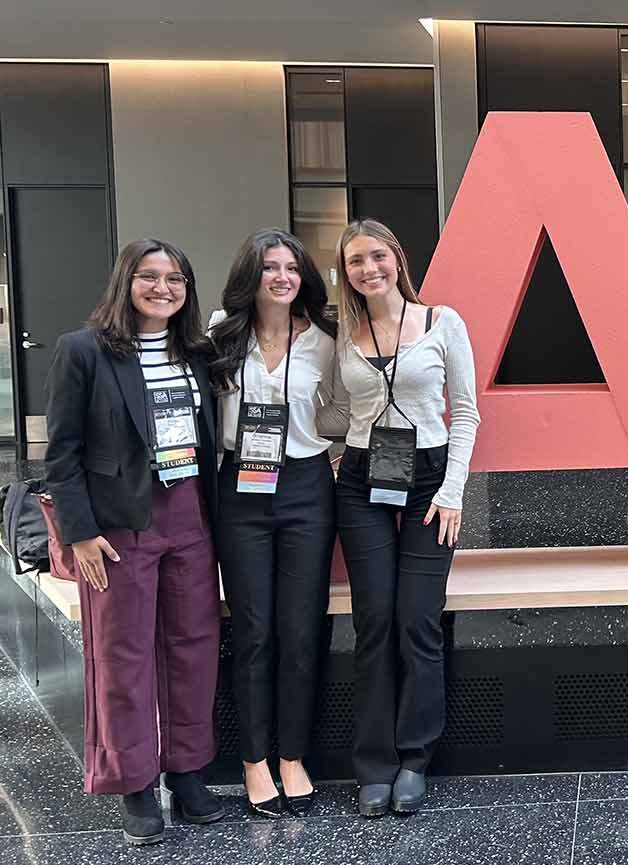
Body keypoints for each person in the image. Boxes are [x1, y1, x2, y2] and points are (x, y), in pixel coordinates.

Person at [44, 238, 227, 845]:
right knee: (121, 658)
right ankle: (136, 784)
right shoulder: (84, 352)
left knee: (192, 649)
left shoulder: (195, 352)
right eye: (149, 277)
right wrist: (81, 533)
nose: (162, 288)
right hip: (117, 527)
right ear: (125, 282)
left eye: (175, 278)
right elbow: (62, 453)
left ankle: (187, 772)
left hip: (190, 516)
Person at [331, 219, 479, 817]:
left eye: (377, 256)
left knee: (417, 621)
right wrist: (338, 446)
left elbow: (466, 412)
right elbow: (334, 407)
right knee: (374, 624)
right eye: (354, 262)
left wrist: (452, 492)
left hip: (429, 483)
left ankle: (414, 758)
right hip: (363, 480)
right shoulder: (339, 332)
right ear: (345, 274)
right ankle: (374, 763)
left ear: (397, 257)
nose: (368, 269)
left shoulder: (443, 323)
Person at [208, 228, 346, 818]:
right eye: (270, 267)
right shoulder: (219, 332)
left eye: (292, 267)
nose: (282, 277)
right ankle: (253, 759)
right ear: (252, 275)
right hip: (240, 488)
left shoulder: (325, 340)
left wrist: (321, 433)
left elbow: (342, 408)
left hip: (307, 487)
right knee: (255, 630)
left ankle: (292, 755)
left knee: (300, 631)